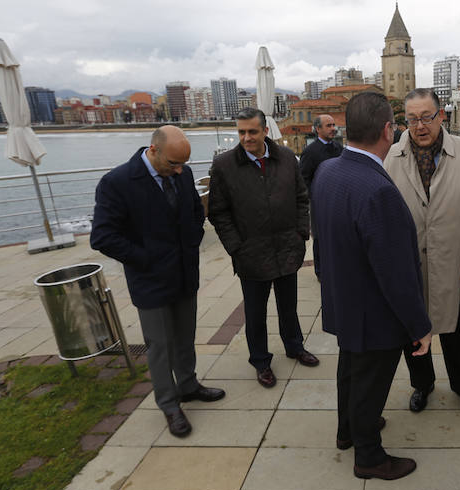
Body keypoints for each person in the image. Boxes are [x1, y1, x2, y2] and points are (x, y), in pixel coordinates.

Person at [312, 92, 433, 481]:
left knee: (349, 371)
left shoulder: (328, 171)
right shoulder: (377, 189)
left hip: (343, 299)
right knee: (369, 383)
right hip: (373, 311)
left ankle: (348, 430)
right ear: (388, 129)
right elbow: (396, 273)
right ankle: (369, 457)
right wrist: (419, 326)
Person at [91, 125, 225, 438]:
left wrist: (193, 239)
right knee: (160, 346)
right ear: (153, 150)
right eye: (172, 164)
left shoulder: (183, 173)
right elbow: (103, 236)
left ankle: (188, 385)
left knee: (185, 335)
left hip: (184, 273)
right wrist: (146, 258)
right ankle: (168, 403)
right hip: (150, 280)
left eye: (183, 165)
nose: (178, 171)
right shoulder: (117, 182)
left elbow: (194, 210)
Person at [384, 88, 460, 417]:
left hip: (453, 265)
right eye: (412, 119)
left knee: (458, 333)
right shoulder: (392, 158)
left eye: (426, 117)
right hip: (410, 267)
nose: (419, 126)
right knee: (414, 336)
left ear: (441, 116)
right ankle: (423, 384)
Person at [208, 107, 319, 389]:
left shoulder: (286, 159)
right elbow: (218, 212)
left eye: (252, 132)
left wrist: (300, 233)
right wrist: (236, 247)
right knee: (255, 314)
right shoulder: (224, 166)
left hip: (286, 247)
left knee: (289, 307)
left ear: (265, 131)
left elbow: (301, 197)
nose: (246, 138)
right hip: (251, 253)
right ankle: (260, 361)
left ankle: (294, 347)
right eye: (241, 132)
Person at [299, 114, 342, 279]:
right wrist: (316, 197)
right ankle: (321, 272)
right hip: (319, 204)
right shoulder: (310, 152)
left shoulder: (339, 148)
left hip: (338, 202)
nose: (333, 128)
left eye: (333, 125)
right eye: (329, 126)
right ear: (318, 129)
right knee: (320, 238)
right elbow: (303, 179)